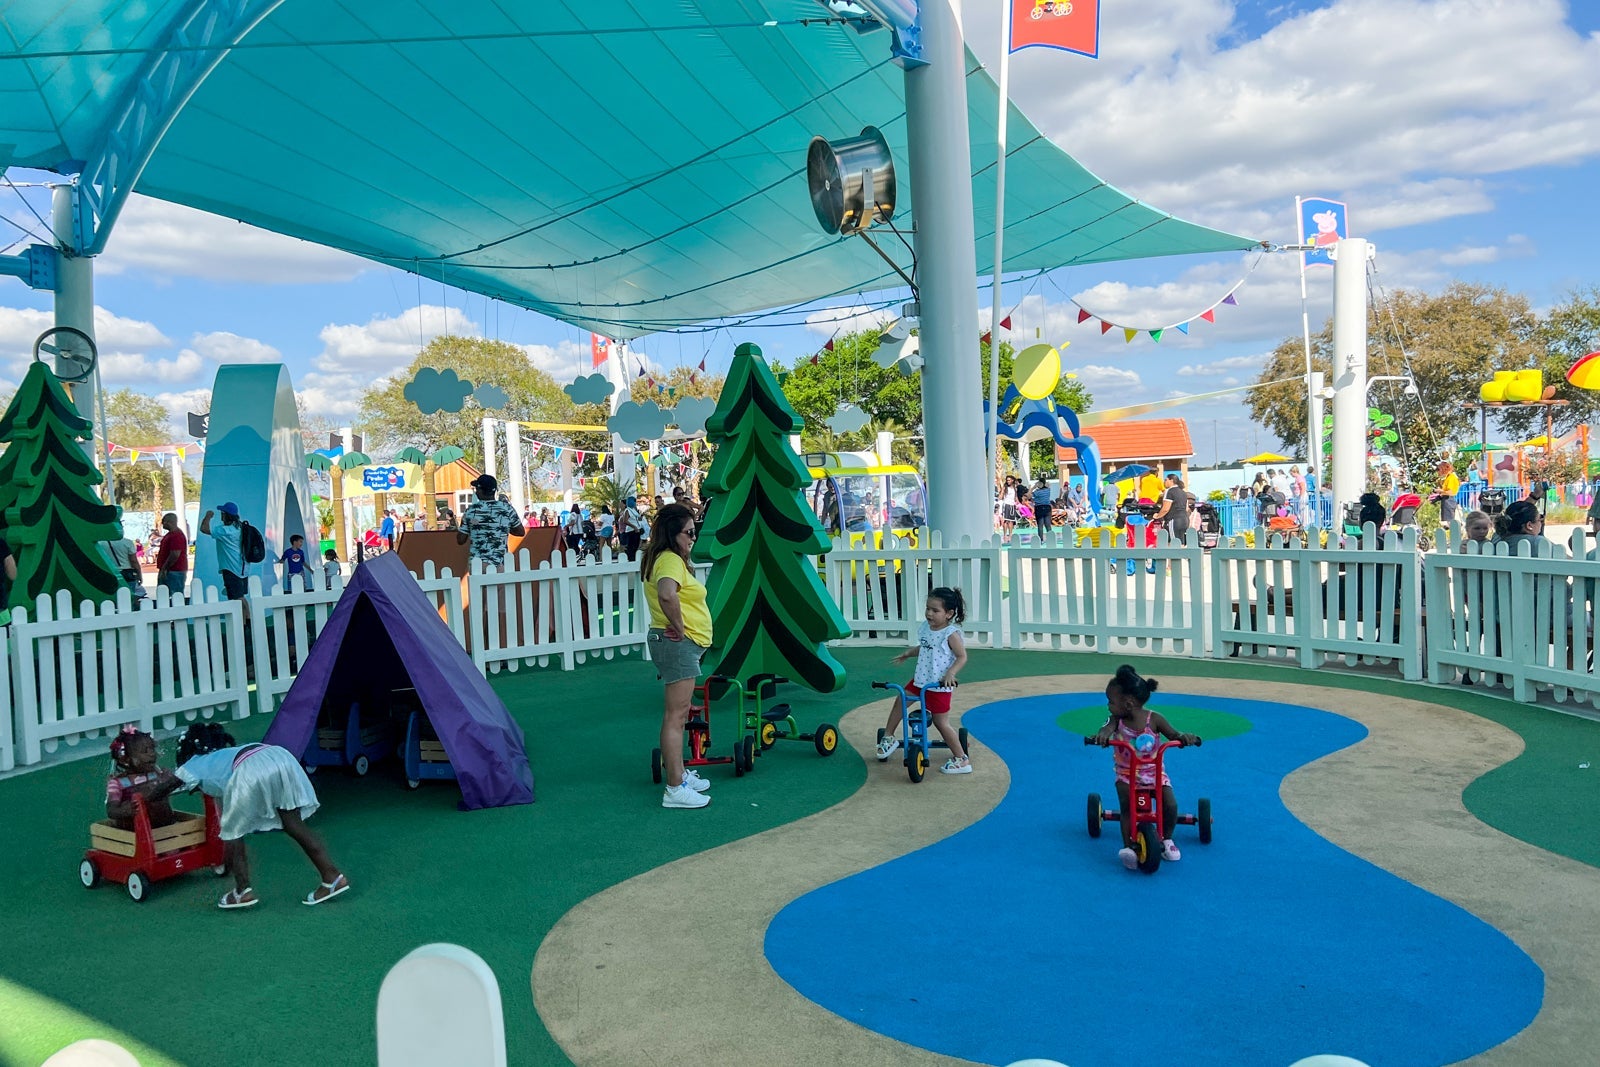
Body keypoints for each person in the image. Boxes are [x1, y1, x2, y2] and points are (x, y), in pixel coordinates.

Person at [144, 723, 349, 910]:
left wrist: (144, 798)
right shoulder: (223, 755)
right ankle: (332, 876)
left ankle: (242, 891)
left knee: (234, 832)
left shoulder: (193, 764)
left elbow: (167, 787)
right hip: (278, 756)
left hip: (249, 768)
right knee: (293, 824)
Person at [1091, 665, 1200, 869]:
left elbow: (1174, 735)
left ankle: (1166, 839)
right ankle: (1129, 848)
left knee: (1170, 805)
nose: (1108, 706)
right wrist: (1103, 735)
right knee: (1128, 804)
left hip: (1154, 772)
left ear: (1129, 703)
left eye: (1111, 701)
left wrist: (1184, 738)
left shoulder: (1155, 719)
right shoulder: (1116, 720)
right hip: (1126, 774)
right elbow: (1106, 728)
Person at [643, 503, 714, 809]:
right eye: (689, 533)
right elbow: (667, 594)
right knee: (676, 715)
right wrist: (681, 627)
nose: (692, 538)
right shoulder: (670, 561)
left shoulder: (664, 558)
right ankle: (675, 788)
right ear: (674, 533)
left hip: (678, 644)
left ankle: (680, 774)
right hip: (676, 644)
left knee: (679, 714)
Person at [873, 587, 972, 774]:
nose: (929, 614)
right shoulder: (927, 628)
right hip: (920, 680)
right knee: (900, 701)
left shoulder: (950, 634)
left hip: (938, 685)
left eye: (935, 611)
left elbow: (961, 656)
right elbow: (926, 647)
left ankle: (961, 759)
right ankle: (889, 737)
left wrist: (950, 673)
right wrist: (908, 653)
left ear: (949, 613)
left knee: (941, 723)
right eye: (928, 608)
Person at [104, 725, 175, 830]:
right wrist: (126, 810)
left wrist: (169, 781)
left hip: (164, 829)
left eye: (152, 749)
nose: (152, 754)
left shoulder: (156, 773)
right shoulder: (117, 783)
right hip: (134, 833)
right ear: (126, 759)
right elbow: (111, 810)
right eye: (145, 751)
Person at [457, 474, 525, 569]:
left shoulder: (470, 511)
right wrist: (502, 527)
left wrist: (473, 526)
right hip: (500, 563)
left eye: (476, 489)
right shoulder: (507, 509)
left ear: (480, 490)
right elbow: (520, 532)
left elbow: (460, 540)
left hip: (477, 565)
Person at [199, 502, 247, 601]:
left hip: (231, 568)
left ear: (226, 515)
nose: (221, 514)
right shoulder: (239, 527)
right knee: (239, 596)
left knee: (237, 597)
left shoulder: (226, 531)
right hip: (242, 568)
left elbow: (204, 529)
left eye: (222, 513)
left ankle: (247, 616)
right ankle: (243, 616)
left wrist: (208, 516)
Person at [154, 512, 187, 600]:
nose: (162, 524)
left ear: (169, 522)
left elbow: (175, 554)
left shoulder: (176, 535)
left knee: (174, 595)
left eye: (163, 522)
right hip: (170, 570)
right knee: (163, 596)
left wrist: (165, 568)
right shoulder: (170, 535)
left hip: (174, 571)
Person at [1154, 473, 1190, 545]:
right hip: (1185, 520)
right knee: (1181, 542)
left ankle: (1175, 556)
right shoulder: (1183, 492)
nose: (1164, 482)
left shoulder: (1169, 491)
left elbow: (1166, 508)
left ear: (1171, 480)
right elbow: (1187, 508)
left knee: (1173, 543)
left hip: (1174, 520)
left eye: (1166, 480)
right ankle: (1181, 556)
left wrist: (1157, 516)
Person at [1431, 461, 1461, 528]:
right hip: (1446, 500)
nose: (1438, 473)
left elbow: (1450, 492)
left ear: (1443, 469)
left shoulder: (1451, 478)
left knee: (1449, 522)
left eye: (1439, 471)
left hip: (1449, 501)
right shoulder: (1448, 477)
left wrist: (1440, 490)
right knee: (1447, 522)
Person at [619, 495, 645, 561]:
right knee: (631, 546)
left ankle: (634, 558)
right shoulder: (627, 510)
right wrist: (634, 527)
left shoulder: (634, 510)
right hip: (631, 530)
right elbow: (625, 520)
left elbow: (637, 518)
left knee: (636, 546)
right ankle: (631, 559)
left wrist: (641, 516)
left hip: (637, 529)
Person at [998, 475, 1020, 541]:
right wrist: (1001, 494)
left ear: (1012, 480)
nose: (1008, 481)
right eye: (1007, 480)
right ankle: (1005, 534)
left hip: (1012, 505)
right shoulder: (1005, 487)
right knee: (1006, 520)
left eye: (1009, 480)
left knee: (1011, 521)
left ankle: (1010, 534)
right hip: (1006, 504)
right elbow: (1001, 496)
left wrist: (1018, 503)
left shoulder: (1014, 488)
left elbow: (1015, 497)